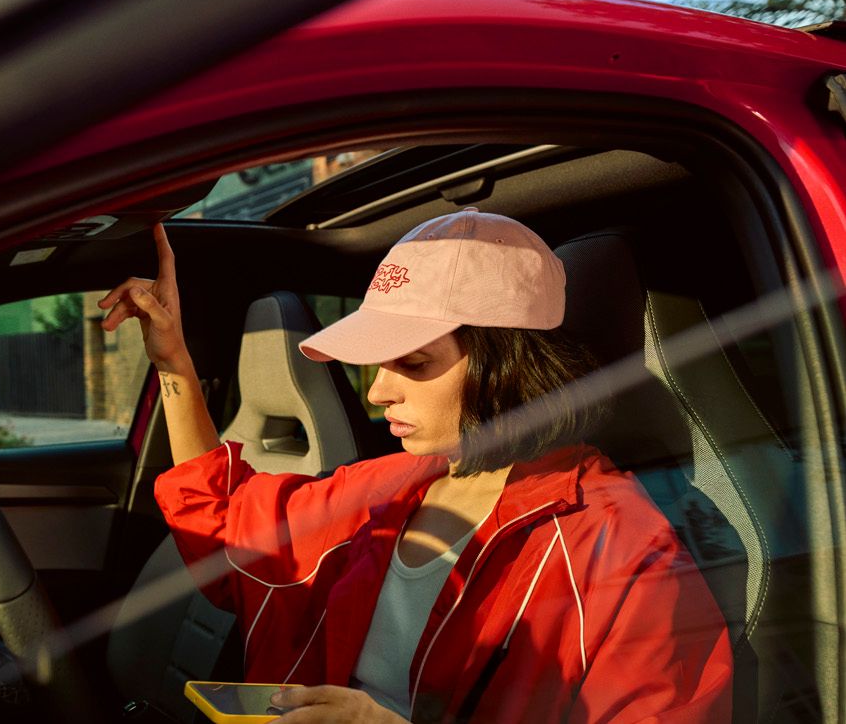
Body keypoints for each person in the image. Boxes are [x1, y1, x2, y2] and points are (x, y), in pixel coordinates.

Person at [99, 210, 733, 722]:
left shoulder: (622, 552)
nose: (377, 393)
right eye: (377, 362)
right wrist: (175, 363)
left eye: (415, 363)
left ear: (507, 365)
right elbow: (224, 520)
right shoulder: (391, 485)